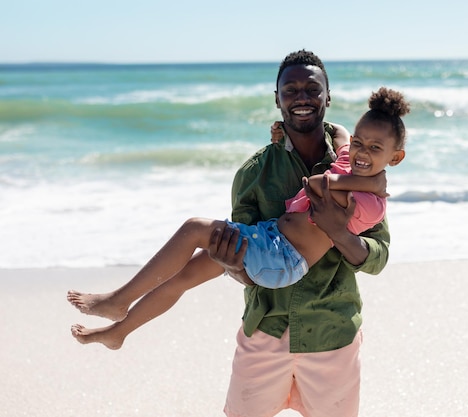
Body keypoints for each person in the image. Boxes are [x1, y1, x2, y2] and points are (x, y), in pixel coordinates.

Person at [70, 50, 407, 417]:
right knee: (192, 270)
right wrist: (234, 268)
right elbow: (243, 274)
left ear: (328, 96)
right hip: (266, 327)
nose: (302, 97)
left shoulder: (366, 185)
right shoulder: (261, 171)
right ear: (276, 99)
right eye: (290, 90)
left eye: (312, 89)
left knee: (194, 231)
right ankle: (122, 324)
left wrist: (341, 233)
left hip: (332, 332)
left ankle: (120, 301)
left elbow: (377, 256)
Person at [67, 104, 404, 348]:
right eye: (361, 143)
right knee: (184, 275)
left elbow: (317, 185)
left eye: (376, 149)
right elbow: (342, 133)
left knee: (194, 228)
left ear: (394, 157)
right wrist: (296, 125)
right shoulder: (348, 160)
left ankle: (118, 299)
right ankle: (119, 331)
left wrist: (373, 185)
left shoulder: (372, 201)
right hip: (270, 238)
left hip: (284, 260)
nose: (361, 152)